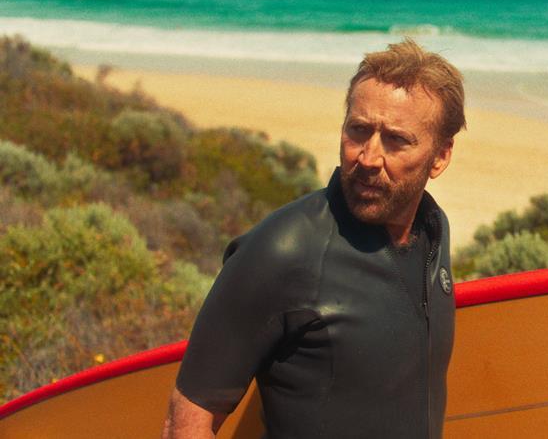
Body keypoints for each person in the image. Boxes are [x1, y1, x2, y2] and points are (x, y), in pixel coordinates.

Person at [162, 38, 466, 439]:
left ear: (440, 157)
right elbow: (188, 417)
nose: (369, 158)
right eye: (358, 131)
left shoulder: (433, 230)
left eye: (396, 140)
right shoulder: (283, 249)